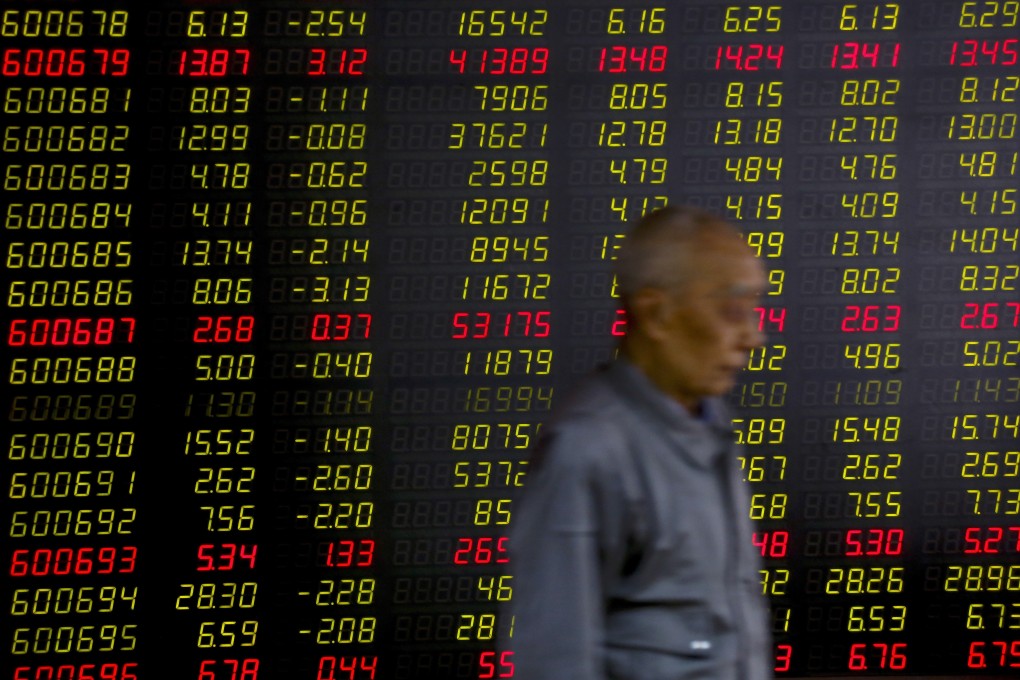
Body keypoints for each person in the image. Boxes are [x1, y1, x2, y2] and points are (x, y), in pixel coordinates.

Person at [503, 205, 773, 680]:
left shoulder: (714, 429)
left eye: (754, 309)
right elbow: (554, 657)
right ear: (656, 314)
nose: (753, 337)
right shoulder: (587, 449)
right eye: (732, 309)